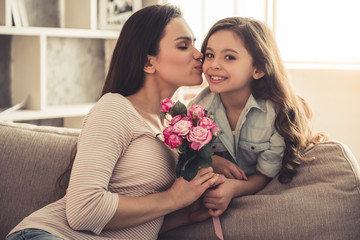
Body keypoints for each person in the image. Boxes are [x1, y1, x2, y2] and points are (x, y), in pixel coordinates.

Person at [6, 5, 223, 240]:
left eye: (194, 43)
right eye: (183, 45)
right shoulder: (115, 108)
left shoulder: (172, 129)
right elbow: (84, 210)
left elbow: (138, 219)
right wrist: (172, 198)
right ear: (148, 63)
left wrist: (187, 211)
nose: (198, 53)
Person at [189, 17, 326, 217]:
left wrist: (232, 189)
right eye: (209, 55)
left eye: (229, 57)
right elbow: (186, 154)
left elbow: (264, 175)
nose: (214, 64)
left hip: (259, 187)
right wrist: (212, 160)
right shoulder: (197, 109)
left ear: (258, 69)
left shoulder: (278, 113)